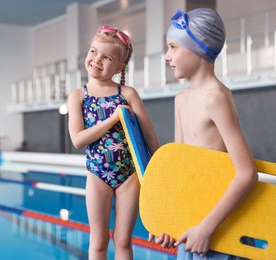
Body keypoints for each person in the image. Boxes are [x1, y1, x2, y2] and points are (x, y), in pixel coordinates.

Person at [150, 8, 258, 260]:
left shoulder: (215, 98)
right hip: (191, 223)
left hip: (219, 228)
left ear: (198, 48)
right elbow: (180, 170)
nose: (167, 56)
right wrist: (170, 223)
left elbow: (247, 173)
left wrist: (206, 228)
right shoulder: (180, 99)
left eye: (174, 47)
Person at [67, 25, 160, 260]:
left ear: (119, 67)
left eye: (106, 57)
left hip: (129, 176)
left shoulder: (128, 94)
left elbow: (149, 136)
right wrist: (112, 119)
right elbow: (78, 139)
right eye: (93, 52)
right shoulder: (79, 96)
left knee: (123, 241)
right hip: (97, 174)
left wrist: (160, 174)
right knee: (98, 242)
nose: (97, 60)